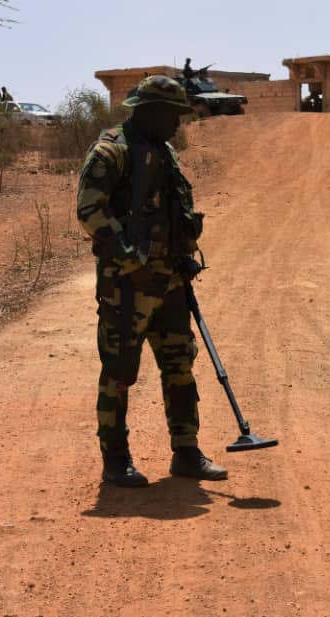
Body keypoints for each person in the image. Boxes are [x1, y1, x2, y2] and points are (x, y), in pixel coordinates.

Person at [76, 74, 227, 488]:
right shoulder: (110, 150)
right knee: (120, 371)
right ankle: (116, 460)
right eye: (172, 115)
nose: (178, 124)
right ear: (149, 111)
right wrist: (130, 262)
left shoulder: (164, 152)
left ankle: (186, 451)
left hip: (171, 281)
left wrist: (183, 254)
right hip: (127, 285)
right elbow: (90, 211)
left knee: (180, 365)